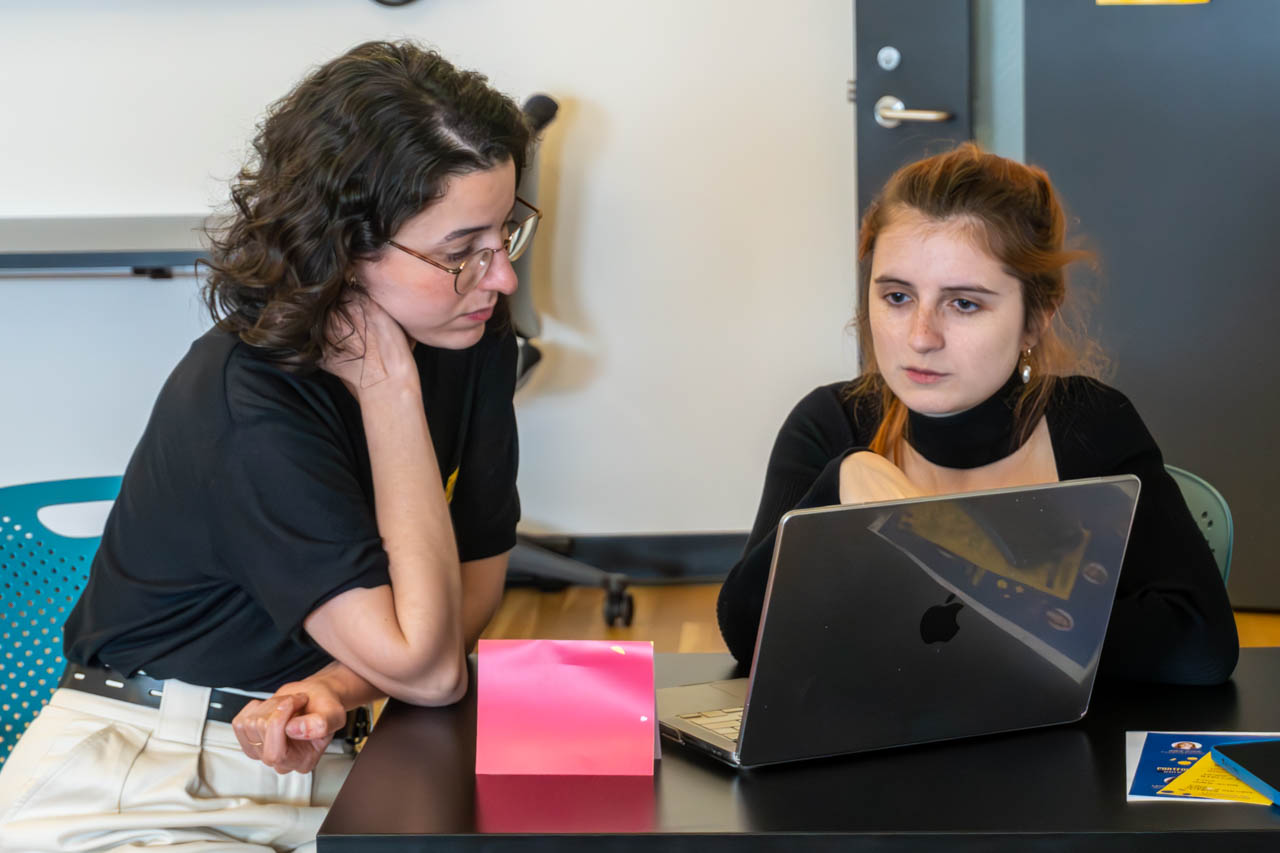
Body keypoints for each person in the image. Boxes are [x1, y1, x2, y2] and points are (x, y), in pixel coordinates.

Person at [0, 40, 534, 851]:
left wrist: (337, 682)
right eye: (462, 253)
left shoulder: (474, 341)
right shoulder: (248, 397)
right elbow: (426, 669)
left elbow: (465, 596)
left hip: (321, 760)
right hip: (144, 782)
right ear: (348, 247)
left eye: (506, 234)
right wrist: (391, 395)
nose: (502, 280)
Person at [716, 143, 1238, 686]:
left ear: (1035, 319)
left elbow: (1199, 649)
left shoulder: (1090, 425)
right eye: (896, 297)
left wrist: (943, 559)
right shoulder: (831, 425)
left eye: (964, 303)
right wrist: (841, 483)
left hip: (1050, 763)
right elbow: (747, 634)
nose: (920, 337)